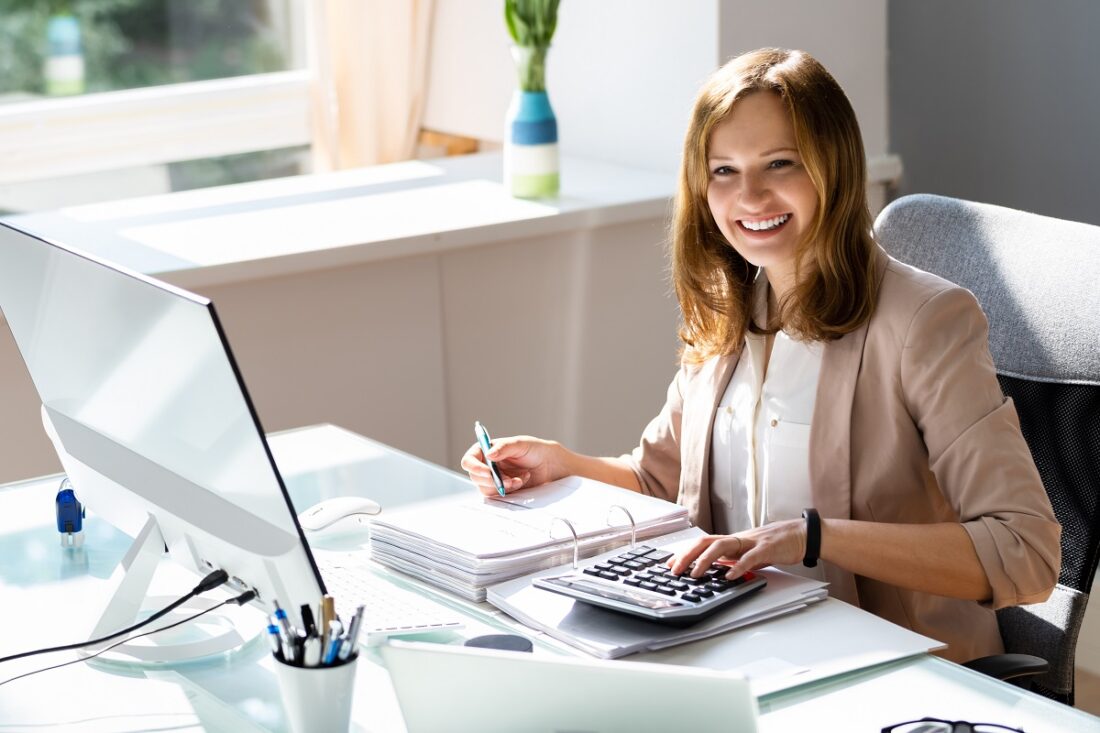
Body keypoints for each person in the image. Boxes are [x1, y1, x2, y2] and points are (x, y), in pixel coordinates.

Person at [461, 48, 1060, 663]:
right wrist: (564, 465)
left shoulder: (923, 321)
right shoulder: (728, 307)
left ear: (834, 166)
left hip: (887, 670)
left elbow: (1026, 552)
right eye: (723, 170)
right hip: (738, 644)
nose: (749, 196)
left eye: (779, 163)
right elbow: (661, 482)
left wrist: (810, 538)